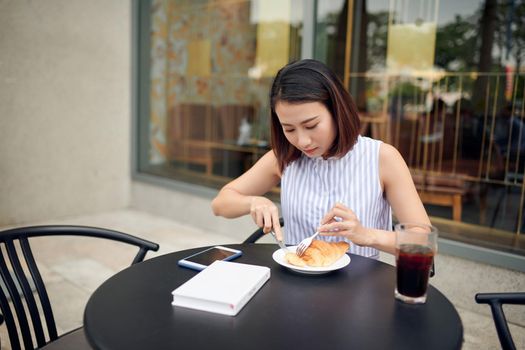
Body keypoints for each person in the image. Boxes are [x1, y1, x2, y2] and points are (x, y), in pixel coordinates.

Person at [211, 59, 430, 258]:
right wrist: (253, 201)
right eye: (289, 129)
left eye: (311, 125)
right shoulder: (283, 158)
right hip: (298, 284)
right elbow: (220, 204)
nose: (303, 141)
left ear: (337, 111)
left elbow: (424, 241)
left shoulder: (381, 158)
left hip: (361, 290)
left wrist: (366, 235)